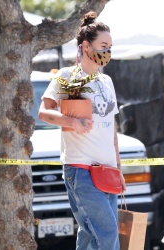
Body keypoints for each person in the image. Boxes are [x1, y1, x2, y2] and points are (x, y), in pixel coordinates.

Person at [38, 11, 126, 250]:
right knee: (106, 236)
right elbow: (44, 113)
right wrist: (72, 121)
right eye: (103, 45)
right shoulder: (67, 77)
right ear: (86, 46)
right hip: (82, 170)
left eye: (110, 46)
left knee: (89, 237)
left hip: (106, 170)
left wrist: (118, 167)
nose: (107, 52)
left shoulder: (105, 81)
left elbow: (111, 127)